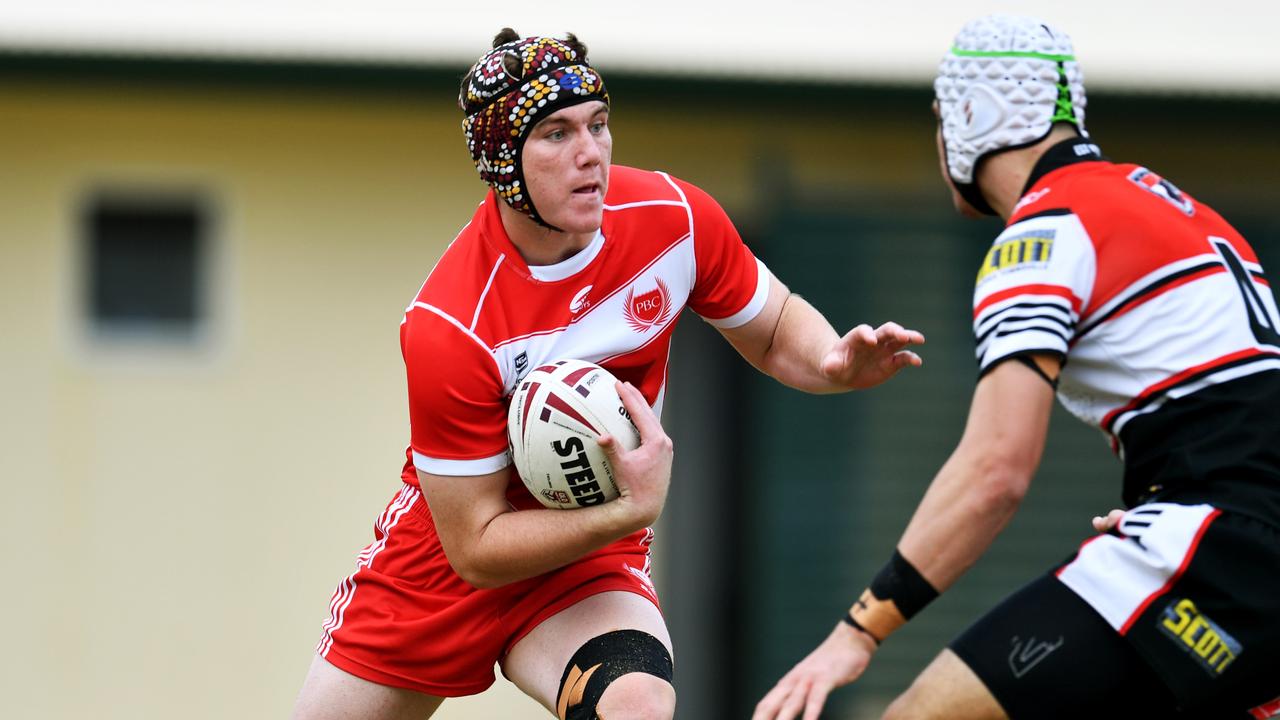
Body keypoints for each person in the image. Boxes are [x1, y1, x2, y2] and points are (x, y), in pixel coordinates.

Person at [289, 28, 925, 720]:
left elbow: (773, 331)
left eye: (598, 124)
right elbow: (474, 546)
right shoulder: (451, 325)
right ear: (504, 160)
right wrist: (631, 507)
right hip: (444, 568)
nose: (590, 152)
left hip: (584, 554)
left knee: (637, 707)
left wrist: (833, 361)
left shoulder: (674, 221)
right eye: (556, 134)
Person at [754, 13, 1280, 720]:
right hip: (1238, 552)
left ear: (974, 113)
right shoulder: (1179, 209)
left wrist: (859, 629)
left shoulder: (1046, 231)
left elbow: (994, 473)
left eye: (942, 119)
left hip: (1216, 553)